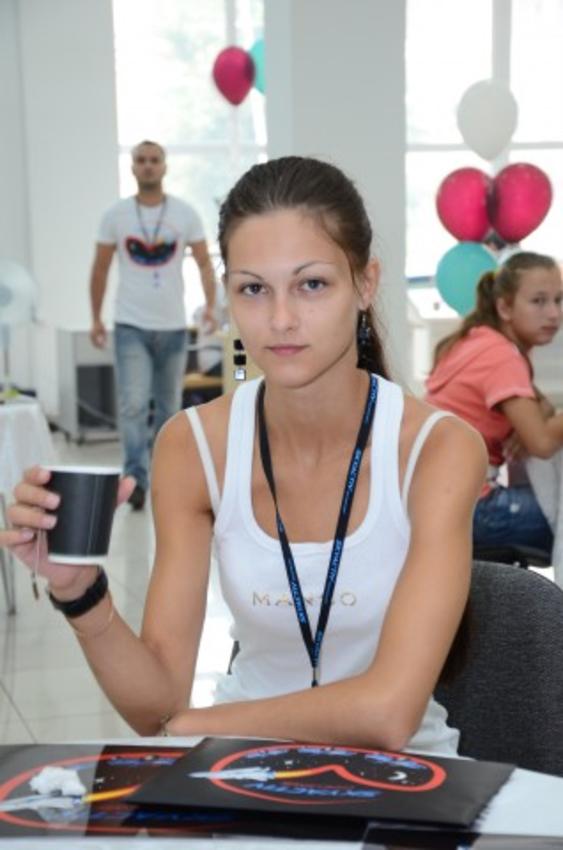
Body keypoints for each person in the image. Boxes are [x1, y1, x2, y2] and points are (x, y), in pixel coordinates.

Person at [2, 156, 485, 754]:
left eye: (312, 285)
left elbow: (389, 714)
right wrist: (80, 591)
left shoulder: (437, 449)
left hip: (404, 772)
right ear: (227, 293)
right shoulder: (193, 445)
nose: (281, 320)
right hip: (240, 766)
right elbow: (156, 706)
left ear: (365, 284)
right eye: (253, 289)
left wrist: (198, 726)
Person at [89, 140, 218, 510]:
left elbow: (204, 263)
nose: (148, 165)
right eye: (141, 160)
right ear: (132, 167)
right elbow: (100, 268)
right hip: (130, 325)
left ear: (164, 166)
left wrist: (211, 306)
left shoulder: (185, 213)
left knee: (169, 408)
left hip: (173, 327)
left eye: (154, 160)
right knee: (132, 404)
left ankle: (166, 476)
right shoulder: (116, 215)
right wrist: (95, 318)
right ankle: (135, 479)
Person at [426, 251, 563, 554]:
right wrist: (534, 426)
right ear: (504, 307)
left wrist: (528, 422)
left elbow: (541, 410)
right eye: (539, 301)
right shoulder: (501, 356)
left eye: (559, 300)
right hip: (473, 509)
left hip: (438, 501)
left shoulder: (479, 340)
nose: (554, 313)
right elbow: (542, 442)